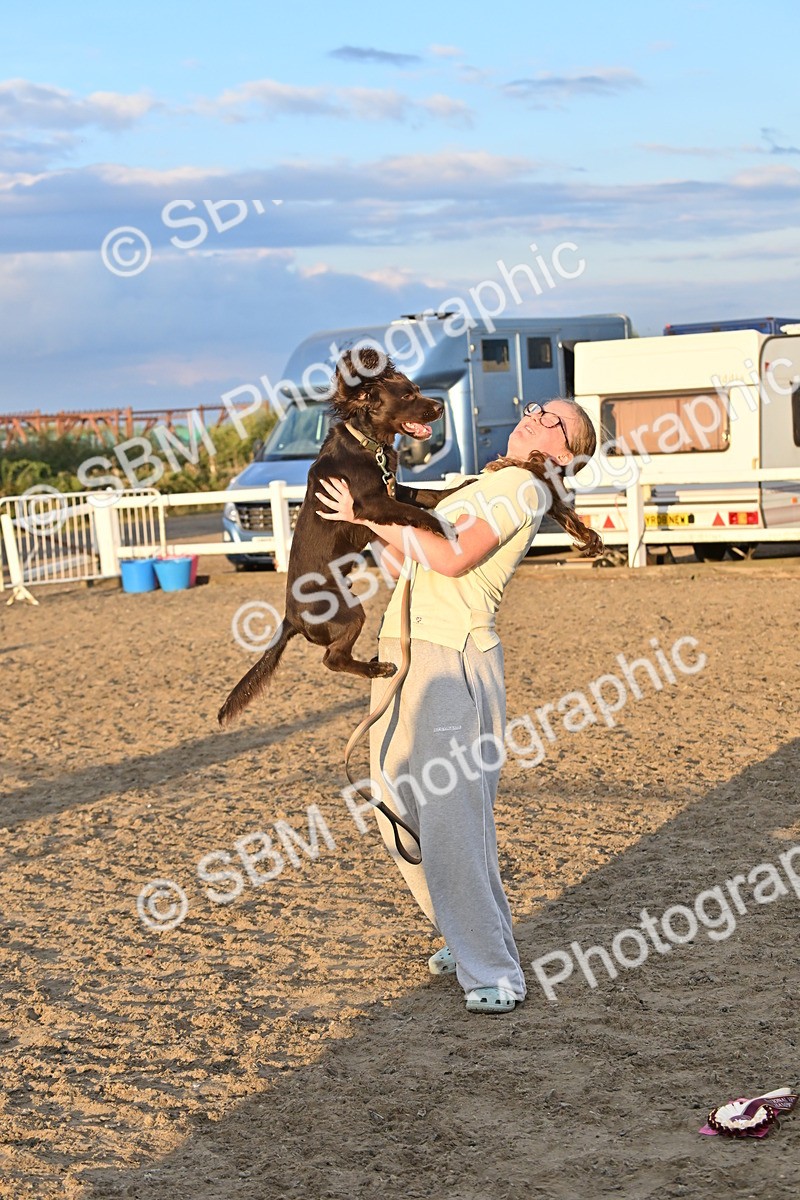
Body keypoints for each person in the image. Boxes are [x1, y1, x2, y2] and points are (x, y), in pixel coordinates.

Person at [316, 398, 602, 1014]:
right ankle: (460, 930)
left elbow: (451, 557)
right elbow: (408, 559)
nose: (531, 414)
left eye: (548, 416)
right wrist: (374, 523)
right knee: (395, 805)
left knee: (452, 822)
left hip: (452, 656)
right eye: (535, 407)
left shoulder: (526, 488)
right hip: (404, 646)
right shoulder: (491, 481)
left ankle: (493, 971)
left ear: (564, 450)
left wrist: (366, 517)